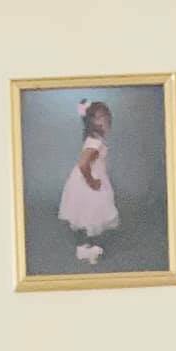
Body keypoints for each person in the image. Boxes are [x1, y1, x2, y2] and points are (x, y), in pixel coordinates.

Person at [57, 99, 118, 267]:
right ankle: (86, 247)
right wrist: (91, 182)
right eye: (100, 117)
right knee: (91, 212)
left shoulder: (93, 139)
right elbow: (83, 164)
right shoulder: (95, 143)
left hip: (88, 177)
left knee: (88, 213)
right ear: (91, 122)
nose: (105, 120)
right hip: (88, 180)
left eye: (106, 116)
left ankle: (87, 245)